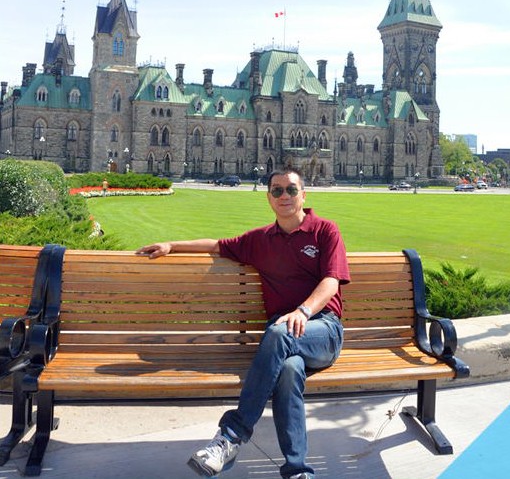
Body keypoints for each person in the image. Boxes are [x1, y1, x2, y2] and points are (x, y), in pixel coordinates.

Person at [136, 168, 350, 479]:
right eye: (277, 190)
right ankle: (297, 471)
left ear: (303, 195)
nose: (285, 196)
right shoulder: (260, 240)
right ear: (269, 198)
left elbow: (332, 281)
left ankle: (232, 436)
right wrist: (171, 245)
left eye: (291, 189)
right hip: (283, 339)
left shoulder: (325, 230)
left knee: (279, 332)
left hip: (323, 331)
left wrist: (303, 312)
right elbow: (216, 246)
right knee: (289, 371)